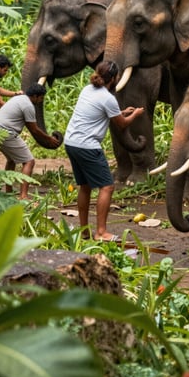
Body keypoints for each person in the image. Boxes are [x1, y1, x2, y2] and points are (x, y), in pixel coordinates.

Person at [63, 60, 145, 242]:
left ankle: (84, 231)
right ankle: (101, 232)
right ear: (114, 78)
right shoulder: (108, 98)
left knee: (85, 186)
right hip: (87, 146)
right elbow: (122, 124)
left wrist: (121, 111)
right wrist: (135, 114)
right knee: (107, 186)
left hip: (71, 142)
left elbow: (100, 111)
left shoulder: (88, 90)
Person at [0, 83, 62, 199]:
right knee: (29, 161)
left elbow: (31, 128)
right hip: (6, 132)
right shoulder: (28, 106)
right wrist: (50, 139)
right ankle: (23, 196)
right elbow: (34, 130)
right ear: (35, 96)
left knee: (11, 160)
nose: (41, 101)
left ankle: (8, 192)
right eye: (41, 98)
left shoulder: (19, 99)